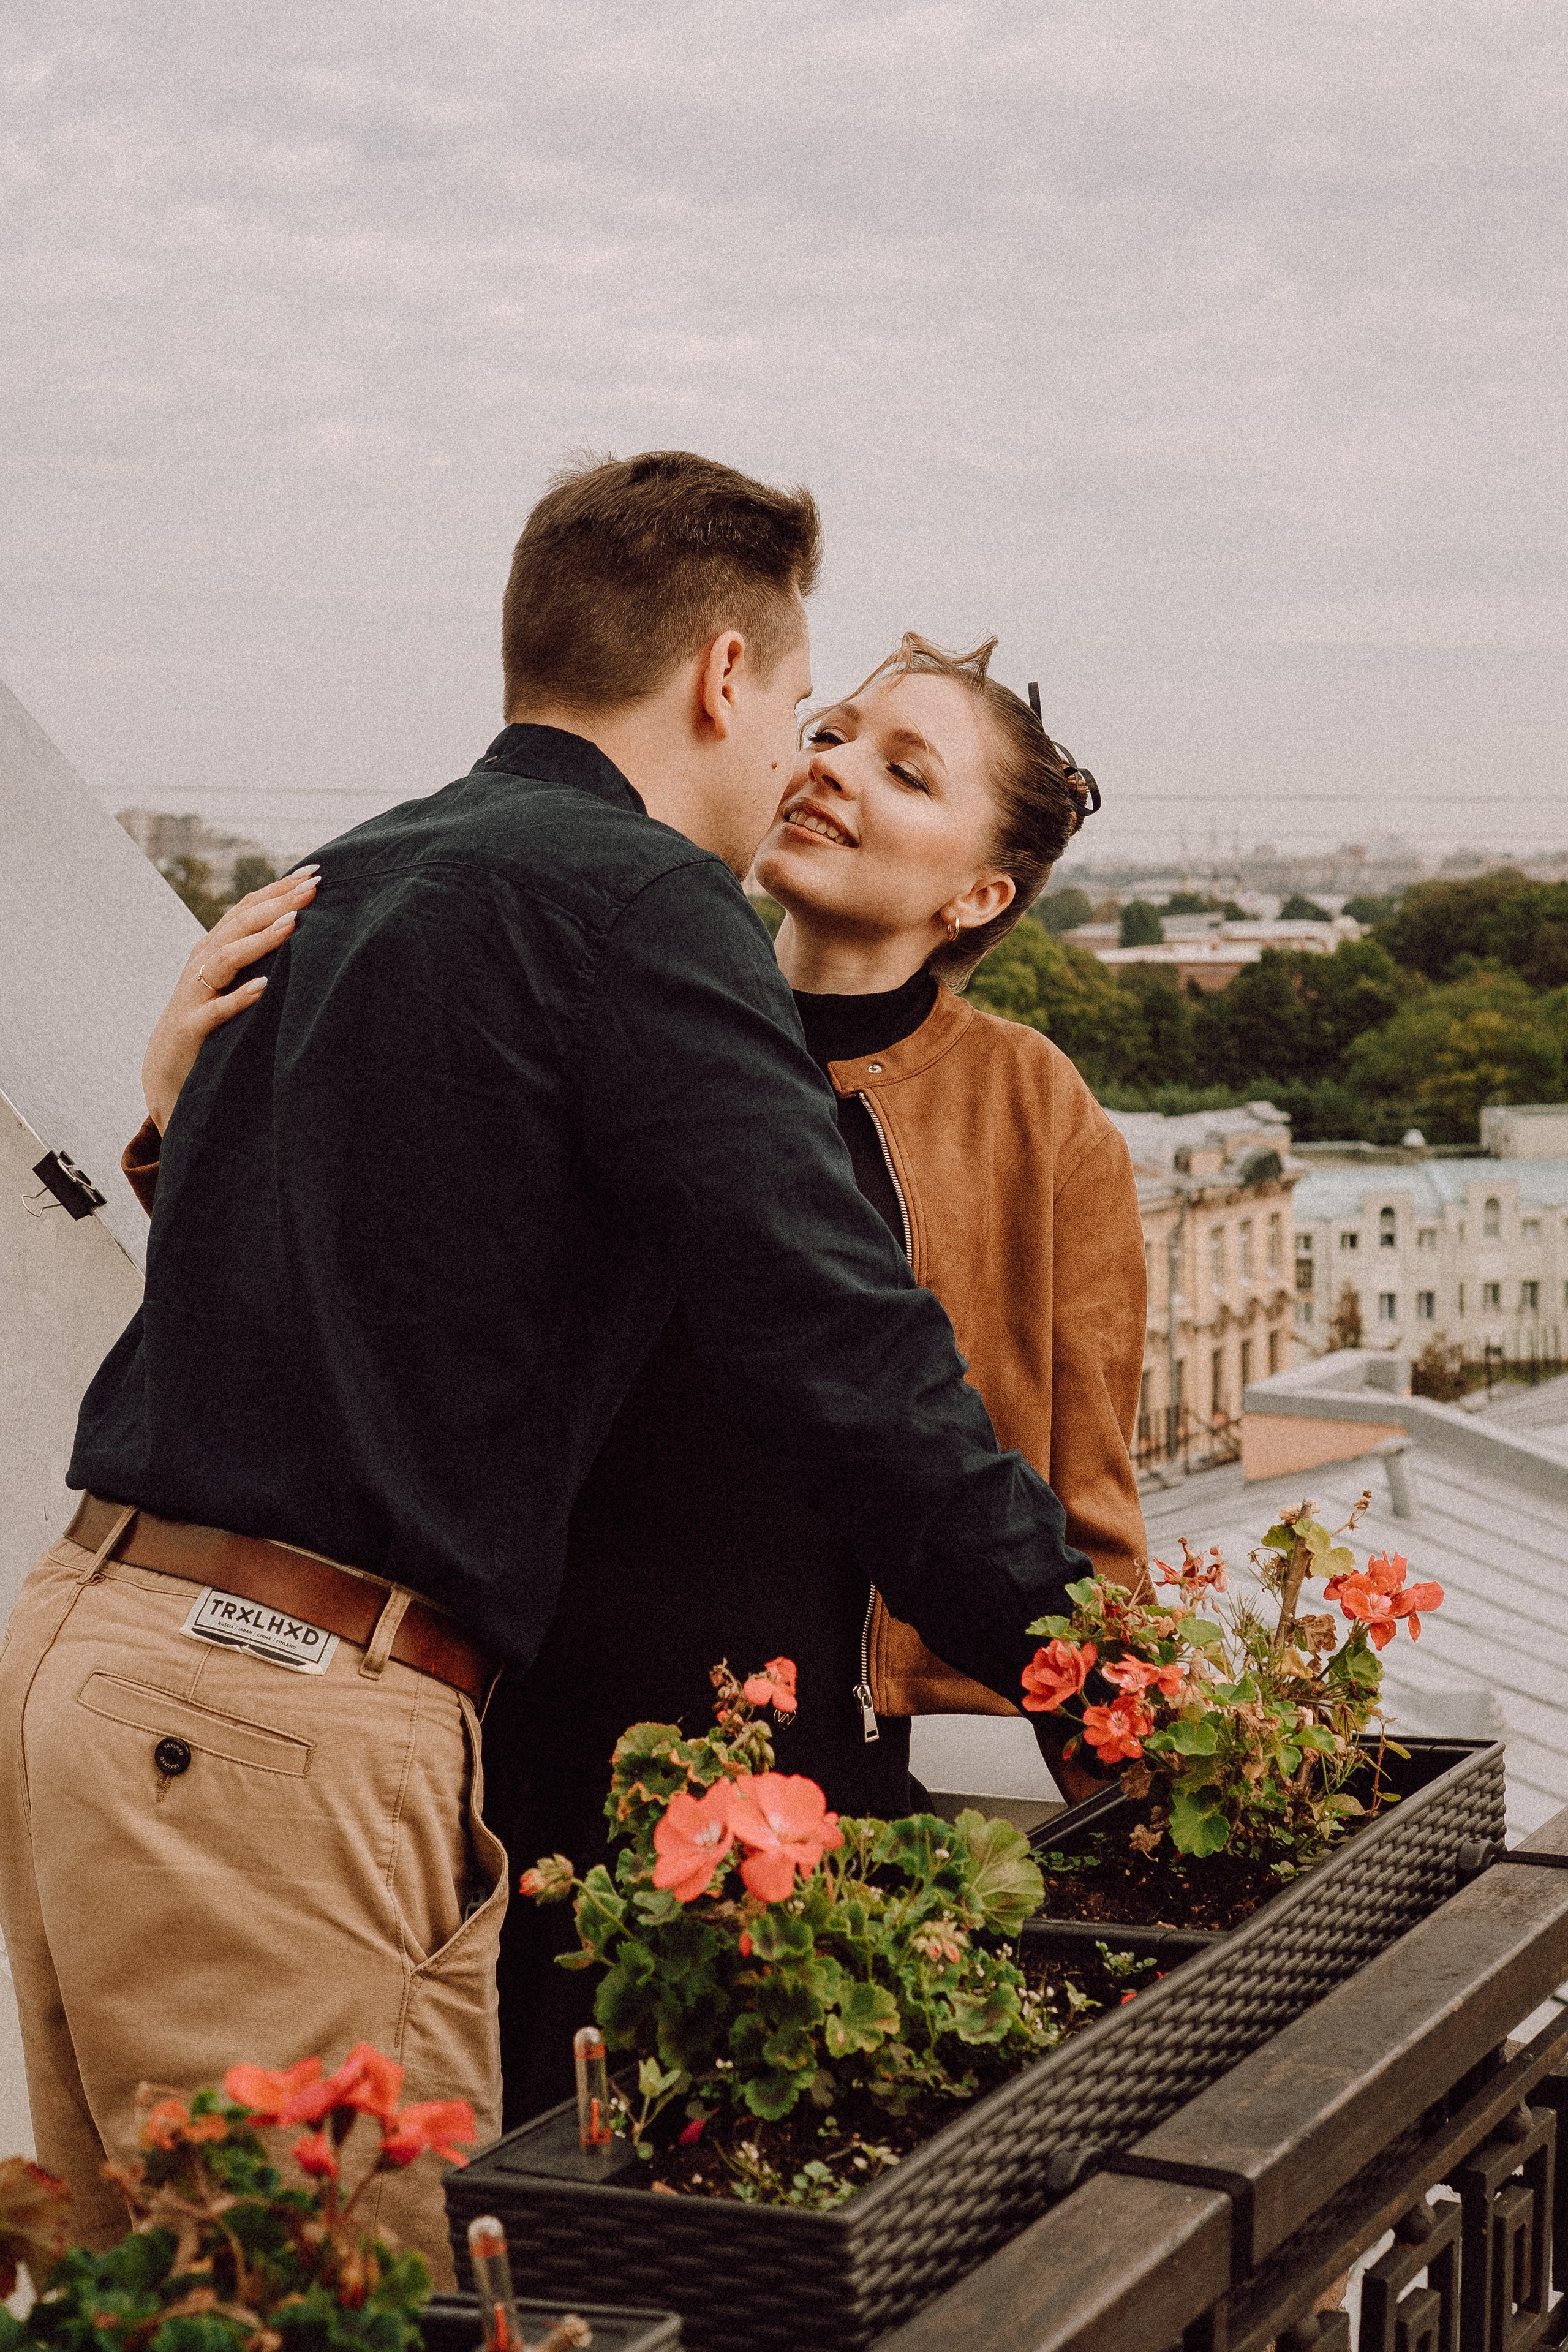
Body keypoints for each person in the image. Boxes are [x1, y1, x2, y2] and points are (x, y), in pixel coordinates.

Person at [0, 453, 1098, 2269]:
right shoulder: (642, 907)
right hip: (281, 1709)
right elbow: (846, 1351)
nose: (795, 763)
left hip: (93, 1662)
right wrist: (1095, 1676)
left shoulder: (352, 873)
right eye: (804, 704)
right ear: (723, 676)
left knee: (162, 2293)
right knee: (349, 2292)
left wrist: (171, 1130)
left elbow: (374, 1249)